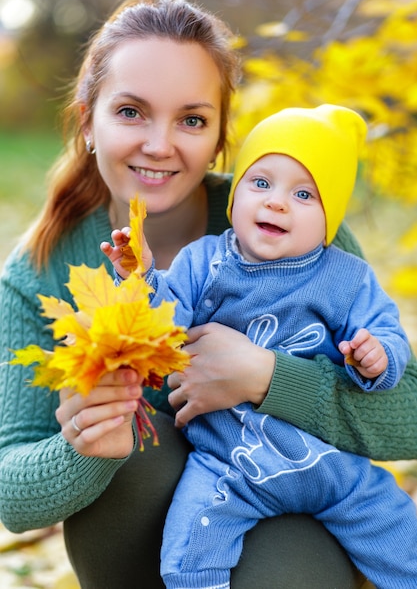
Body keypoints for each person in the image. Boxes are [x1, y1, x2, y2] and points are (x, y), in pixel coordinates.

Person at [0, 0, 416, 589]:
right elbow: (12, 496)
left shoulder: (294, 220)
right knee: (138, 457)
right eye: (131, 112)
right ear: (88, 118)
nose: (160, 144)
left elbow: (411, 416)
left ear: (221, 136)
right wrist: (80, 445)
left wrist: (268, 378)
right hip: (150, 522)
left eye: (191, 119)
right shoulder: (40, 268)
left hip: (296, 504)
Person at [104, 104, 415, 589]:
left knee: (400, 538)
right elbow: (162, 323)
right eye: (261, 183)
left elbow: (386, 332)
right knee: (188, 554)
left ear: (330, 219)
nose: (276, 203)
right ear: (237, 194)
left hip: (331, 466)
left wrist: (378, 356)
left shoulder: (344, 276)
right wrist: (141, 277)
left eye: (304, 194)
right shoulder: (203, 263)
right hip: (229, 466)